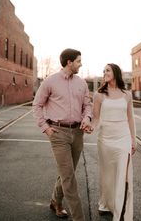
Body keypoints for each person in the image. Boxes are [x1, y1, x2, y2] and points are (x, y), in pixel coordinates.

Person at [33, 48, 92, 221]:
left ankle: (55, 201)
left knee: (68, 172)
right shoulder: (50, 82)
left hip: (78, 133)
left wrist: (87, 118)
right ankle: (79, 217)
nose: (81, 64)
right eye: (79, 61)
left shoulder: (81, 83)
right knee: (69, 177)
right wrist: (45, 127)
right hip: (58, 133)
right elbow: (37, 105)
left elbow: (87, 105)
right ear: (69, 62)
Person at [90, 63, 137, 221]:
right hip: (105, 139)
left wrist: (133, 140)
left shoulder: (127, 94)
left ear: (116, 72)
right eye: (103, 71)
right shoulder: (99, 94)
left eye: (108, 70)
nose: (105, 73)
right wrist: (90, 127)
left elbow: (130, 118)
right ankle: (104, 204)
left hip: (123, 137)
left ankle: (120, 212)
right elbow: (96, 118)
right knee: (107, 174)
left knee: (122, 175)